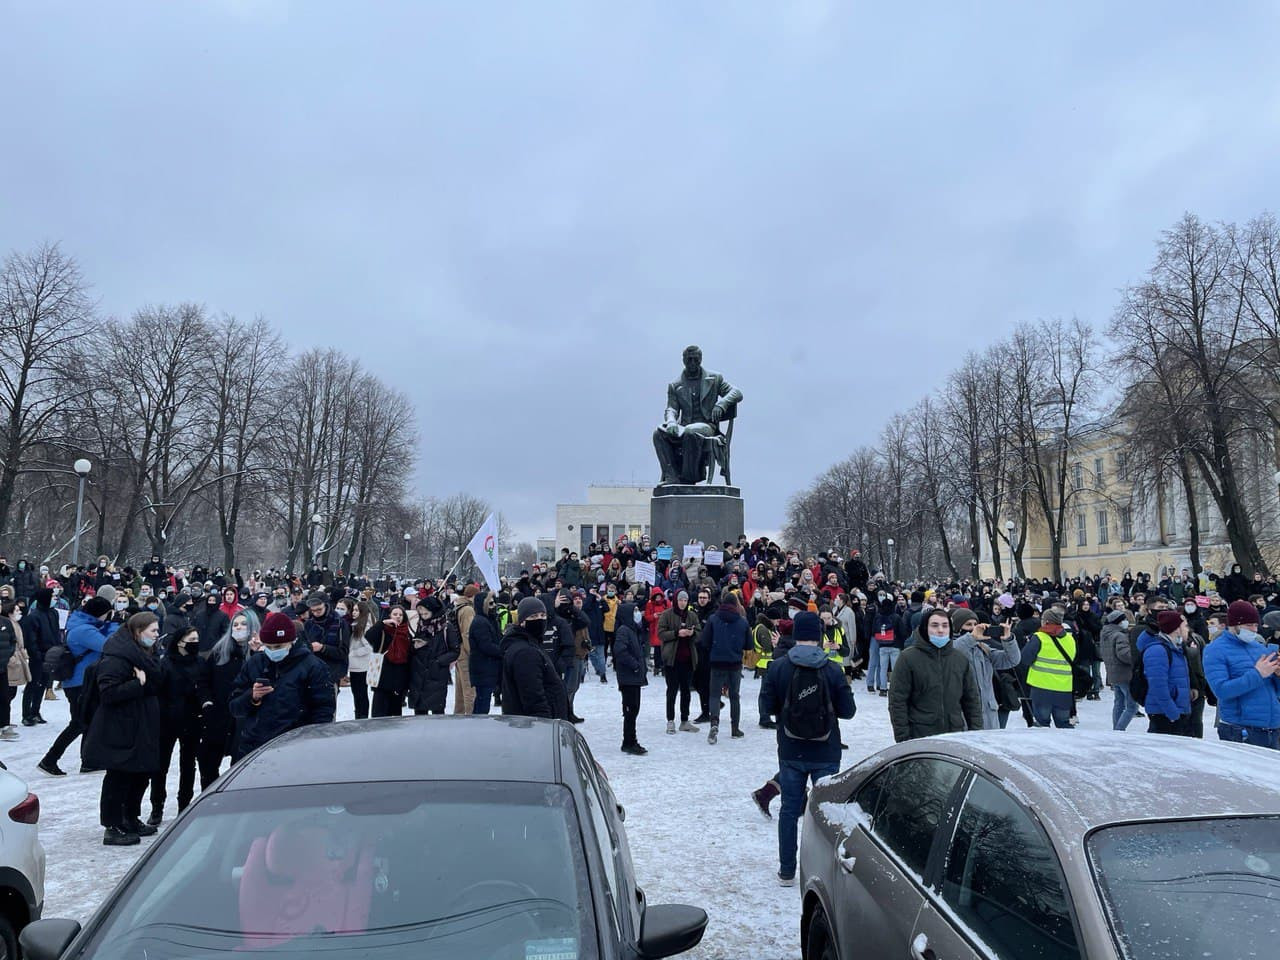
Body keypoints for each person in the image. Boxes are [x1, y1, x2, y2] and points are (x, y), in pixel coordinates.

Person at [760, 611, 855, 886]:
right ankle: (825, 873)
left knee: (789, 810)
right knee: (826, 813)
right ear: (819, 635)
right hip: (826, 749)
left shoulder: (778, 666)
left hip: (790, 749)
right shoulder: (833, 668)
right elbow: (848, 711)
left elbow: (765, 708)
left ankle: (787, 871)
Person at [82, 612, 163, 846]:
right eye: (153, 631)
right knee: (119, 777)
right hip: (120, 727)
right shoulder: (117, 657)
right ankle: (113, 825)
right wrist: (137, 684)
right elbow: (108, 692)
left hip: (142, 724)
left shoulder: (144, 654)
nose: (157, 636)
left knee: (140, 773)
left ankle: (130, 817)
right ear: (138, 632)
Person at [229, 611, 336, 760]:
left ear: (292, 641)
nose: (273, 651)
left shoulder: (313, 666)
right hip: (254, 747)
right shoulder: (255, 663)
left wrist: (312, 746)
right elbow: (234, 706)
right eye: (269, 646)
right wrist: (252, 697)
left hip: (296, 749)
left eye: (278, 646)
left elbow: (323, 711)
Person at [39, 596, 117, 777]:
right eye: (107, 614)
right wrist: (113, 625)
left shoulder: (84, 625)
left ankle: (89, 760)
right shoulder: (84, 630)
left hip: (82, 681)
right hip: (79, 683)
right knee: (79, 723)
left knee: (88, 721)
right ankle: (50, 759)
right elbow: (108, 645)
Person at [888, 609, 983, 742]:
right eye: (935, 625)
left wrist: (976, 735)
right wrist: (903, 739)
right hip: (920, 736)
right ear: (925, 628)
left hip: (954, 735)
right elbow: (897, 701)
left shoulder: (959, 659)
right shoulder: (908, 658)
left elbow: (972, 701)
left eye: (945, 625)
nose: (940, 630)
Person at [1203, 601, 1280, 748]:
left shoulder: (1258, 647)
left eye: (1256, 625)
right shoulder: (1215, 650)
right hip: (1239, 728)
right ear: (1234, 624)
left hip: (1271, 727)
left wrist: (1277, 675)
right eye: (1248, 625)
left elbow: (1274, 690)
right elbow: (1221, 690)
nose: (1253, 630)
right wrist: (1258, 674)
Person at [147, 625, 203, 825]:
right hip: (166, 721)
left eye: (197, 639)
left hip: (192, 721)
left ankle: (184, 806)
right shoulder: (166, 663)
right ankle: (157, 807)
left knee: (188, 766)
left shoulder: (200, 663)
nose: (195, 643)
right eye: (192, 639)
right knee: (160, 767)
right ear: (180, 641)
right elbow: (157, 690)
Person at [198, 610, 259, 786]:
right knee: (208, 762)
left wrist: (257, 654)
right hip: (218, 715)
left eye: (244, 624)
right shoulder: (219, 651)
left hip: (246, 718)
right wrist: (206, 702)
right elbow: (204, 680)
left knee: (241, 767)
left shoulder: (261, 654)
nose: (239, 628)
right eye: (236, 624)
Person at [500, 596, 570, 720]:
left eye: (542, 615)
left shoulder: (531, 645)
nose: (539, 619)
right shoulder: (525, 653)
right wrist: (544, 725)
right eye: (533, 616)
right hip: (535, 727)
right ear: (522, 621)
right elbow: (533, 697)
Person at [950, 610, 1021, 731]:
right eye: (968, 625)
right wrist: (971, 638)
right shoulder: (950, 647)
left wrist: (1008, 639)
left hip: (989, 714)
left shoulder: (982, 648)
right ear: (957, 627)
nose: (973, 628)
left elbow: (1011, 660)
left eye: (975, 624)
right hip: (964, 716)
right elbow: (952, 652)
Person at [702, 593, 749, 744]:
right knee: (734, 696)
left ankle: (714, 722)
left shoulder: (713, 619)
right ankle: (735, 728)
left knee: (715, 695)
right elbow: (749, 645)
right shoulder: (742, 622)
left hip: (717, 662)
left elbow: (705, 641)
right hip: (735, 663)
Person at [1018, 607, 1077, 729]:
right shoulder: (1070, 639)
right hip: (1064, 688)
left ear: (1046, 622)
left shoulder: (1039, 637)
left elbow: (1025, 659)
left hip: (1041, 688)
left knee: (1042, 725)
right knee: (1064, 725)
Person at [1138, 609, 1193, 736]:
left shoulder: (1175, 649)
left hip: (1176, 711)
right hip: (1164, 714)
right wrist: (1172, 713)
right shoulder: (1158, 650)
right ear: (1176, 629)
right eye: (1184, 626)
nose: (1187, 629)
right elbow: (1158, 685)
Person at [658, 589, 701, 734]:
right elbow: (661, 633)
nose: (682, 603)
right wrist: (677, 633)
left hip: (688, 659)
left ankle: (684, 720)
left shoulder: (692, 615)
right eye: (680, 600)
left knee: (686, 691)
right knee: (671, 691)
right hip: (672, 660)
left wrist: (692, 633)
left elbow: (700, 634)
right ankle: (670, 720)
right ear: (676, 600)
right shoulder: (667, 615)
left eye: (685, 600)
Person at [406, 597, 458, 716]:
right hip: (418, 674)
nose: (424, 616)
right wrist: (415, 647)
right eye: (421, 613)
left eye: (426, 613)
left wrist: (439, 662)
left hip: (437, 675)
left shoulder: (446, 627)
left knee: (437, 713)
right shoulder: (417, 625)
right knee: (419, 713)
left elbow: (455, 650)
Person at [612, 596, 649, 755]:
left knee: (633, 710)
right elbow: (620, 651)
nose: (638, 613)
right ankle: (629, 742)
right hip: (628, 678)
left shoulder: (633, 630)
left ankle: (630, 740)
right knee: (630, 710)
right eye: (634, 611)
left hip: (634, 677)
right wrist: (635, 665)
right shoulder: (623, 630)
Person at [19, 587, 60, 725]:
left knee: (43, 684)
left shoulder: (54, 613)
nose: (55, 599)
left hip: (51, 655)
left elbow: (56, 632)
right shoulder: (33, 617)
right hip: (38, 656)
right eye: (52, 597)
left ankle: (36, 711)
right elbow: (31, 639)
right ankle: (26, 714)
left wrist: (58, 650)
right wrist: (36, 654)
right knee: (33, 684)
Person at [369, 605, 413, 717]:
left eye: (400, 614)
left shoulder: (407, 632)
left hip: (399, 677)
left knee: (395, 715)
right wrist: (382, 623)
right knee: (379, 714)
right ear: (389, 615)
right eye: (395, 614)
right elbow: (368, 636)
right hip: (382, 676)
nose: (398, 617)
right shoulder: (382, 630)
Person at [303, 592, 351, 689]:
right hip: (312, 672)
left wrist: (322, 648)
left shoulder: (340, 623)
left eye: (319, 609)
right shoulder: (309, 623)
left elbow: (343, 652)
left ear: (326, 605)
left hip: (331, 673)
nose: (316, 613)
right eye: (313, 610)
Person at [1100, 608, 1138, 730]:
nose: (1126, 622)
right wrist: (1136, 658)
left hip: (1113, 673)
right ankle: (1119, 729)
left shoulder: (1106, 634)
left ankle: (1116, 728)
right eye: (1124, 620)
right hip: (1124, 674)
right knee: (1132, 706)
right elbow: (1124, 655)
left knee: (1119, 702)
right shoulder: (1120, 635)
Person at [468, 590, 504, 714]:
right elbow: (486, 646)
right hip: (483, 670)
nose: (494, 606)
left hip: (487, 669)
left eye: (494, 603)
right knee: (482, 705)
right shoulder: (480, 622)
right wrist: (503, 651)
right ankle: (478, 728)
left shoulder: (488, 620)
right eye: (490, 604)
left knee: (482, 703)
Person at [347, 599, 375, 720]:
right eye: (353, 610)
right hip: (355, 666)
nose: (354, 612)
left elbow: (369, 647)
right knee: (357, 694)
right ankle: (359, 715)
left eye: (357, 610)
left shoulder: (364, 627)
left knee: (361, 694)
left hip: (361, 666)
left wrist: (353, 653)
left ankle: (362, 716)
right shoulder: (356, 625)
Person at [452, 585, 478, 716]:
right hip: (465, 653)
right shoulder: (468, 610)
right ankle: (469, 717)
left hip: (458, 652)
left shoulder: (458, 607)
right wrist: (472, 652)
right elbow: (467, 633)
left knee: (460, 690)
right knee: (469, 689)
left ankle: (459, 714)